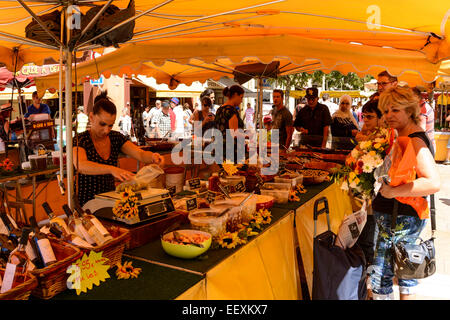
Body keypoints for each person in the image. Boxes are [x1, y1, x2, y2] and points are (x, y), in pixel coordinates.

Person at [370, 87, 440, 300]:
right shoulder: (402, 134)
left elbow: (433, 182)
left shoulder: (415, 139)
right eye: (386, 111)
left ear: (410, 111)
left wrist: (393, 192)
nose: (389, 115)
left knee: (385, 275)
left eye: (395, 110)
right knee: (401, 272)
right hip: (394, 217)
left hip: (401, 216)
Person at [73, 91, 164, 207]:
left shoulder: (116, 137)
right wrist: (112, 169)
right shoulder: (80, 139)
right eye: (102, 124)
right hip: (86, 204)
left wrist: (153, 157)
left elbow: (140, 154)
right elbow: (81, 165)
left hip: (110, 202)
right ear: (91, 117)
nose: (106, 130)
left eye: (110, 125)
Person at [214, 85, 245, 162]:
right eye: (241, 97)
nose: (241, 100)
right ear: (235, 95)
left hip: (219, 149)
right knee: (233, 173)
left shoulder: (219, 109)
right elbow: (234, 133)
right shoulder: (231, 110)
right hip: (230, 150)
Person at [412, 87, 435, 153]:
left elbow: (420, 130)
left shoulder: (422, 108)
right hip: (426, 145)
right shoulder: (423, 106)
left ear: (416, 97)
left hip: (425, 147)